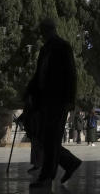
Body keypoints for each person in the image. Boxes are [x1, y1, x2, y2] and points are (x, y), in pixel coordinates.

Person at [23, 17, 83, 191]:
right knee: (46, 138)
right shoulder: (45, 48)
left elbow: (71, 74)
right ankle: (70, 162)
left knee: (51, 138)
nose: (41, 34)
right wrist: (29, 93)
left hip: (58, 100)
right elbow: (39, 74)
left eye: (42, 31)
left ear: (47, 30)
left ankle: (47, 177)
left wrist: (70, 100)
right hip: (45, 101)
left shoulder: (62, 47)